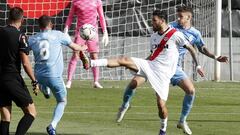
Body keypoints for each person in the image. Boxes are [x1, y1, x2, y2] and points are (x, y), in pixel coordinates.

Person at [115, 6, 228, 135]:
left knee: (191, 90)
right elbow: (156, 47)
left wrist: (216, 57)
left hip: (175, 68)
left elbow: (201, 48)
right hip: (156, 65)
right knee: (134, 83)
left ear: (188, 17)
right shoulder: (170, 27)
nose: (178, 19)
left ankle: (182, 121)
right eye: (177, 16)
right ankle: (125, 105)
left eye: (181, 16)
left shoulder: (195, 33)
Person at [88, 9, 200, 135]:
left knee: (161, 105)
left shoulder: (176, 34)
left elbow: (191, 49)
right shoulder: (153, 37)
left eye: (154, 20)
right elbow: (153, 56)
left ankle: (163, 129)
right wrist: (135, 66)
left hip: (163, 74)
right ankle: (91, 63)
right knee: (124, 61)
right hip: (150, 65)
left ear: (162, 21)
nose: (151, 23)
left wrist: (198, 65)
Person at [28, 15, 87, 135]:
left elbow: (23, 51)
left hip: (38, 75)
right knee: (62, 101)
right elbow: (74, 47)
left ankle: (45, 90)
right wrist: (83, 47)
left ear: (39, 26)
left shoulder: (32, 39)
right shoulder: (58, 34)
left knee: (45, 82)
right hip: (54, 76)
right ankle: (52, 126)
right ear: (51, 25)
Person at [0, 7, 38, 135]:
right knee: (31, 112)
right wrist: (34, 81)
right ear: (22, 19)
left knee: (5, 116)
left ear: (8, 17)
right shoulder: (21, 36)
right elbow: (26, 63)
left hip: (0, 79)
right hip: (12, 78)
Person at [64, 0, 109, 89]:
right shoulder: (75, 2)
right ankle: (69, 81)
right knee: (75, 55)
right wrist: (66, 29)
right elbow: (70, 17)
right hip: (80, 33)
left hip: (93, 33)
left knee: (94, 56)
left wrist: (105, 32)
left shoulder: (97, 1)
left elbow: (101, 16)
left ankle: (96, 81)